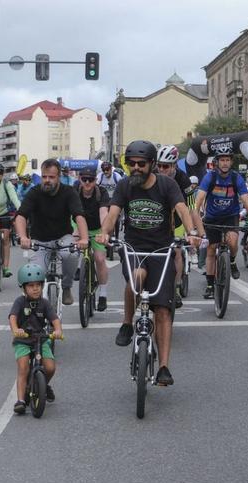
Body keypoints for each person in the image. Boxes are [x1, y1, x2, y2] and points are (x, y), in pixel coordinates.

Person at [97, 140, 202, 386]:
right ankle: (126, 323)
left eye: (141, 164)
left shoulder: (168, 185)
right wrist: (104, 233)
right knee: (138, 276)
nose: (135, 168)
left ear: (152, 165)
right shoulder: (124, 186)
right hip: (134, 247)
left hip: (162, 249)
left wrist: (191, 232)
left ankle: (164, 367)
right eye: (131, 163)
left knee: (163, 310)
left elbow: (182, 209)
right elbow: (113, 213)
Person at [14, 159, 89, 306]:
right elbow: (21, 216)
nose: (47, 180)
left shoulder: (69, 192)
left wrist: (84, 239)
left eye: (51, 177)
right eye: (44, 176)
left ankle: (67, 287)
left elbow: (79, 216)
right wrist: (23, 237)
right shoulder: (34, 192)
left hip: (63, 237)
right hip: (40, 241)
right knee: (34, 275)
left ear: (59, 177)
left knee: (72, 254)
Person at [194, 148, 248, 298]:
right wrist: (196, 215)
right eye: (222, 160)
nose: (225, 163)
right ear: (216, 162)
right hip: (212, 217)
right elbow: (199, 200)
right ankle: (209, 285)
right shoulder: (210, 177)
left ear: (231, 162)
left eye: (228, 160)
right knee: (211, 249)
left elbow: (246, 201)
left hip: (230, 216)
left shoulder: (236, 178)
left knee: (233, 241)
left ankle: (232, 261)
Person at [9, 262, 63, 414]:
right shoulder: (20, 302)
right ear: (24, 288)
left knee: (50, 367)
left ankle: (43, 385)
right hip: (23, 340)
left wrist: (57, 330)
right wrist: (15, 330)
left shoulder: (44, 303)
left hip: (41, 339)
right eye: (31, 285)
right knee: (23, 367)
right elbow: (13, 317)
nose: (35, 288)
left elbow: (54, 319)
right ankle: (20, 400)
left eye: (38, 285)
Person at [157, 145, 194, 308]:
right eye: (159, 165)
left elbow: (191, 207)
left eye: (165, 166)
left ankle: (177, 288)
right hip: (160, 218)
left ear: (174, 166)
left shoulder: (183, 178)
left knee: (176, 251)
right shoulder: (154, 176)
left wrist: (194, 231)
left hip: (178, 217)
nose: (161, 169)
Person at [73, 165, 110, 311]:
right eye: (84, 179)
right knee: (73, 245)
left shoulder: (102, 192)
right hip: (78, 222)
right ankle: (77, 267)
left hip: (97, 227)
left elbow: (104, 213)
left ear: (96, 180)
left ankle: (103, 294)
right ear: (79, 179)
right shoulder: (74, 190)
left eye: (91, 179)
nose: (87, 183)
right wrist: (75, 229)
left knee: (100, 259)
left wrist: (104, 232)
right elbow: (69, 211)